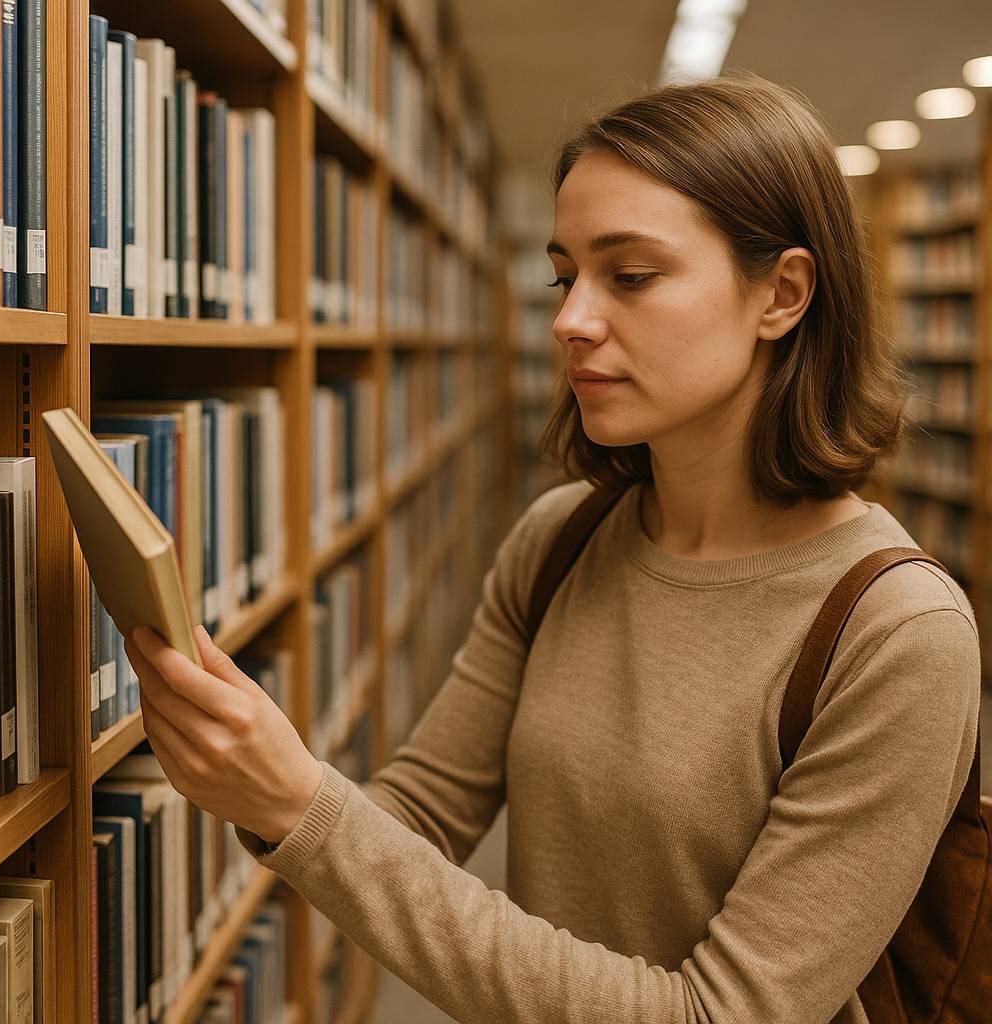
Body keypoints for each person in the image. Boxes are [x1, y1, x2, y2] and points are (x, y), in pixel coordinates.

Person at [125, 70, 981, 1022]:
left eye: (632, 276)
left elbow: (721, 1016)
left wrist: (300, 808)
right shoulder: (561, 540)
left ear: (782, 292)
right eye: (565, 276)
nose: (571, 320)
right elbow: (418, 815)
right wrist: (253, 769)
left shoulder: (898, 633)